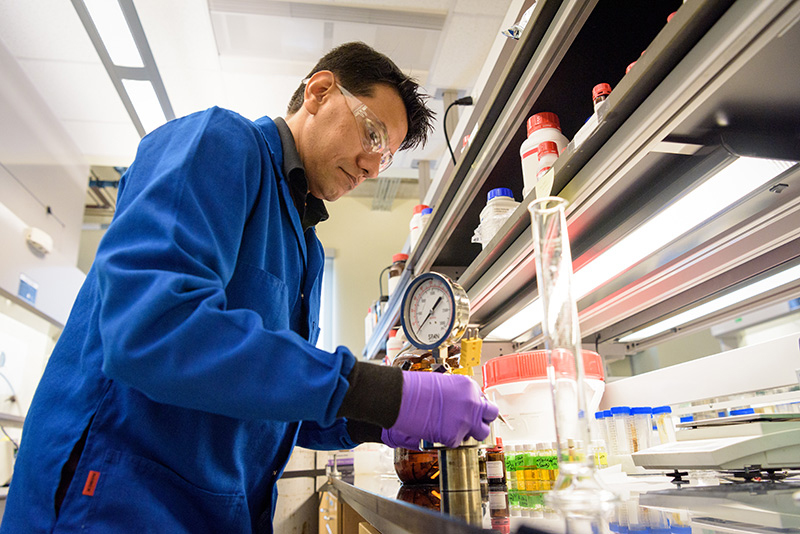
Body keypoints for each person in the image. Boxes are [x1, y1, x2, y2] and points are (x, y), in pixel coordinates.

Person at [1, 42, 498, 533]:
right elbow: (152, 328)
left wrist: (377, 421)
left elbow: (271, 399)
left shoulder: (308, 249)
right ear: (320, 91)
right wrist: (378, 391)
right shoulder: (219, 142)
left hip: (215, 513)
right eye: (371, 133)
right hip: (113, 503)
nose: (371, 165)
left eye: (385, 157)